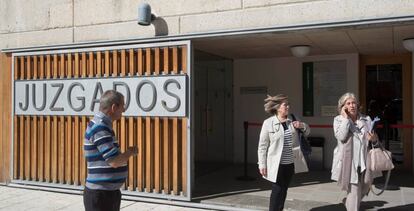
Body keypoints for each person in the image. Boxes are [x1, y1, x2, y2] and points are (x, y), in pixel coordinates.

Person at [83, 90, 138, 211]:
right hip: (101, 195)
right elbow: (114, 161)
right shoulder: (100, 127)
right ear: (114, 107)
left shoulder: (102, 126)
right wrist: (130, 152)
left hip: (107, 193)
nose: (123, 110)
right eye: (122, 106)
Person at [257, 94, 310, 211]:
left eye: (288, 104)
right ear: (277, 107)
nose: (288, 107)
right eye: (285, 105)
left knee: (284, 189)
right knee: (277, 190)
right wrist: (262, 164)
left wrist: (302, 125)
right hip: (277, 164)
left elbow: (307, 132)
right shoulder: (268, 123)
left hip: (291, 163)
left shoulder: (293, 118)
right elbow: (262, 146)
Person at [331, 92, 381, 211]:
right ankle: (351, 205)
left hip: (365, 161)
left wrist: (373, 139)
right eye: (348, 103)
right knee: (354, 190)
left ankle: (348, 201)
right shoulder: (338, 120)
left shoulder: (366, 119)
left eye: (353, 103)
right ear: (343, 107)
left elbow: (375, 141)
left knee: (365, 187)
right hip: (349, 162)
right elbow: (341, 136)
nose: (352, 105)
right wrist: (346, 119)